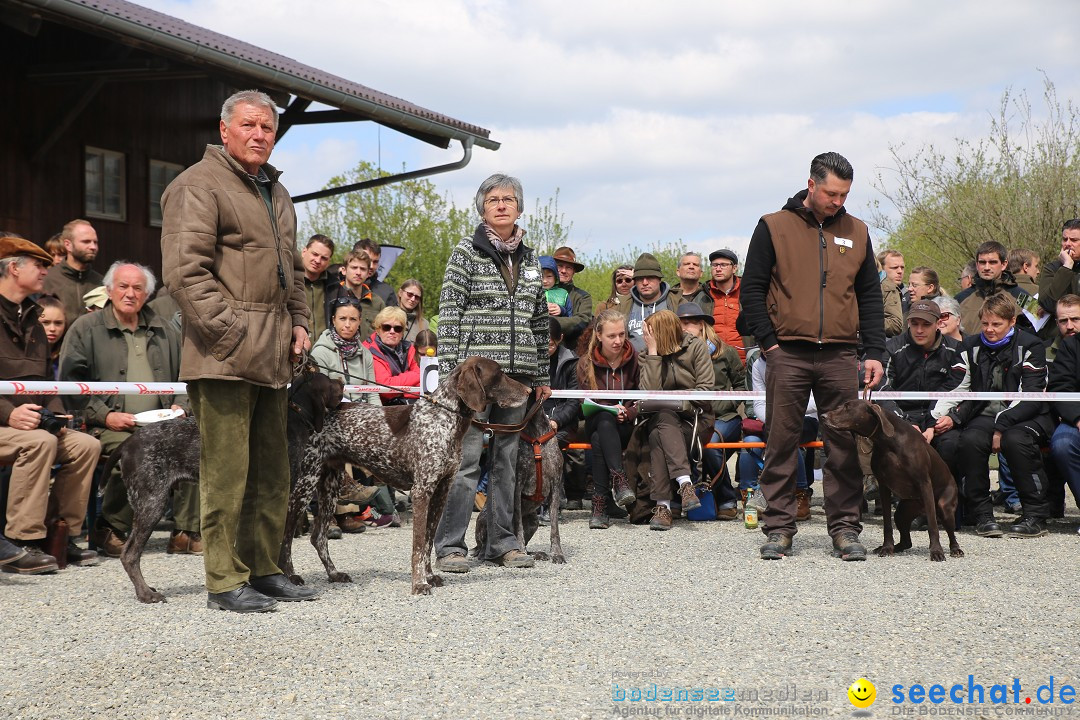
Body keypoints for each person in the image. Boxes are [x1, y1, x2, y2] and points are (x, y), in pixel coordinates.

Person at [160, 89, 318, 613]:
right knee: (226, 475)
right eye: (249, 125)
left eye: (267, 128)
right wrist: (231, 336)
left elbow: (292, 273)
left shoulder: (277, 191)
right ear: (224, 129)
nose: (259, 135)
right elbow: (186, 274)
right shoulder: (196, 185)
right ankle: (224, 581)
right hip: (223, 356)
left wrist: (299, 323)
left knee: (273, 472)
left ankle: (265, 568)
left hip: (274, 356)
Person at [741, 151, 886, 561]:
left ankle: (844, 529)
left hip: (841, 355)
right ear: (811, 184)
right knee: (782, 442)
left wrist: (873, 351)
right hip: (787, 352)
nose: (837, 201)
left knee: (843, 444)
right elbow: (750, 289)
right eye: (831, 193)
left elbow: (869, 296)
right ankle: (780, 528)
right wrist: (769, 344)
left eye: (844, 195)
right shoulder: (773, 226)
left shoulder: (857, 231)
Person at [434, 173, 550, 572]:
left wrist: (542, 376)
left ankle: (502, 542)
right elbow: (448, 313)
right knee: (464, 462)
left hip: (517, 379)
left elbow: (539, 321)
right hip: (475, 381)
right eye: (493, 199)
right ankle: (450, 546)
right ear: (482, 207)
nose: (502, 205)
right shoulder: (465, 252)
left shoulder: (532, 259)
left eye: (509, 199)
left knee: (507, 460)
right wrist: (452, 376)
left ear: (519, 207)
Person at [60, 261, 195, 558]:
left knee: (195, 446)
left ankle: (185, 531)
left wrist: (181, 405)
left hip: (163, 422)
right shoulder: (86, 328)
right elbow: (69, 383)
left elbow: (186, 374)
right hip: (108, 425)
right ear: (109, 290)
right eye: (123, 286)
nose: (130, 294)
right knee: (134, 453)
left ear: (147, 294)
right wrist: (104, 415)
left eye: (138, 288)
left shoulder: (165, 329)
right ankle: (110, 527)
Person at [0, 235, 100, 574]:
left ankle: (62, 534)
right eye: (39, 266)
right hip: (7, 424)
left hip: (29, 423)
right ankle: (21, 540)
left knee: (86, 445)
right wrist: (9, 413)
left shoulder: (34, 318)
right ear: (14, 268)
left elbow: (46, 380)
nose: (46, 271)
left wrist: (57, 413)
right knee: (40, 442)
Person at [931, 293, 1054, 538]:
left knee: (1015, 440)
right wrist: (934, 417)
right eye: (985, 323)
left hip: (1026, 414)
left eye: (996, 324)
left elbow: (1031, 394)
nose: (989, 329)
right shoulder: (971, 345)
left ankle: (1035, 513)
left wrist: (1001, 427)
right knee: (970, 441)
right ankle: (982, 514)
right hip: (984, 413)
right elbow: (957, 387)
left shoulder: (1031, 345)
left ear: (1012, 321)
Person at [310, 297, 396, 531]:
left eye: (353, 319)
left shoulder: (365, 354)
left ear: (360, 322)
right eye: (342, 319)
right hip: (330, 416)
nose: (347, 324)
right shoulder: (320, 352)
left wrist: (379, 420)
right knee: (339, 443)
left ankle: (370, 508)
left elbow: (372, 392)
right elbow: (321, 397)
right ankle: (330, 515)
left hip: (360, 418)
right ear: (333, 320)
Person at [877, 301, 965, 512]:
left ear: (938, 323)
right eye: (914, 323)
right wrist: (904, 424)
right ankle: (908, 504)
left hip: (940, 415)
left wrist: (945, 420)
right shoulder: (892, 347)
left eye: (925, 324)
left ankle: (949, 504)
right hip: (900, 416)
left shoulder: (956, 350)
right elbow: (882, 390)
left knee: (951, 444)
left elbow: (961, 390)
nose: (919, 330)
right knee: (896, 444)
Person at [637, 309, 714, 531]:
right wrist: (653, 353)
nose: (645, 337)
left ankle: (663, 507)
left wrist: (679, 403)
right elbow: (649, 394)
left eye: (650, 333)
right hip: (662, 419)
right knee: (662, 421)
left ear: (663, 332)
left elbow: (705, 390)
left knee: (659, 432)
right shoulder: (646, 354)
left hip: (696, 419)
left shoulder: (696, 347)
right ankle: (685, 484)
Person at [678, 302, 745, 520]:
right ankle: (681, 498)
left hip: (724, 417)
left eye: (690, 323)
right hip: (691, 417)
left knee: (710, 446)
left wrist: (725, 406)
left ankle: (727, 498)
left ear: (702, 326)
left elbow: (742, 387)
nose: (685, 328)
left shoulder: (727, 352)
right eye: (681, 323)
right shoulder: (677, 354)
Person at [738, 348, 819, 521]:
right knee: (772, 434)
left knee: (786, 435)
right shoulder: (759, 364)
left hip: (806, 417)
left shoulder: (801, 359)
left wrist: (786, 412)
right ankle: (787, 493)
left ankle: (797, 493)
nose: (765, 348)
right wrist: (776, 418)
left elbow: (816, 401)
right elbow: (758, 401)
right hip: (773, 419)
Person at [576, 310, 639, 529]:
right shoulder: (586, 363)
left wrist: (629, 412)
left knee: (599, 438)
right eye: (612, 336)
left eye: (622, 334)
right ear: (599, 336)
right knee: (603, 419)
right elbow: (586, 403)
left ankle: (600, 505)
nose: (618, 341)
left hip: (627, 424)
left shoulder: (636, 360)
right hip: (597, 418)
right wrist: (612, 410)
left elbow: (644, 396)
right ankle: (619, 481)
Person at [955, 240, 1031, 336]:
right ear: (977, 265)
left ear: (1004, 264)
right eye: (982, 262)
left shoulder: (1022, 296)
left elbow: (1040, 328)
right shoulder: (960, 299)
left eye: (992, 262)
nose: (987, 267)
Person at [42, 219, 104, 326]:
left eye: (95, 242)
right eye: (86, 241)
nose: (93, 247)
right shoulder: (46, 279)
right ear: (68, 245)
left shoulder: (102, 283)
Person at [618, 252, 683, 353]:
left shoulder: (677, 302)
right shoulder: (623, 306)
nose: (645, 283)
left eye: (650, 278)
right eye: (640, 279)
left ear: (659, 279)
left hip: (669, 364)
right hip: (634, 365)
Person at [363, 306, 420, 405]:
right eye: (386, 327)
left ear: (402, 332)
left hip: (407, 404)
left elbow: (423, 380)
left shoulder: (409, 348)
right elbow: (386, 388)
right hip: (381, 407)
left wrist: (400, 390)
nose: (392, 331)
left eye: (397, 328)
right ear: (378, 329)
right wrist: (413, 379)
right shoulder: (370, 350)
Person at [705, 248, 746, 361]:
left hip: (745, 361)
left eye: (723, 265)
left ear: (734, 268)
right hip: (714, 363)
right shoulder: (703, 295)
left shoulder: (748, 292)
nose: (718, 269)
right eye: (714, 265)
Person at [551, 246, 593, 352]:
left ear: (573, 271)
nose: (564, 271)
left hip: (571, 352)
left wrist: (549, 322)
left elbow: (582, 321)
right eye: (560, 266)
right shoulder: (539, 292)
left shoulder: (582, 297)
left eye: (568, 267)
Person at [337, 249, 385, 341]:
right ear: (344, 270)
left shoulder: (377, 303)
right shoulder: (333, 297)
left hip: (368, 354)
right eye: (354, 268)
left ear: (368, 274)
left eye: (363, 269)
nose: (358, 273)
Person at [300, 234, 340, 340]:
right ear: (304, 252)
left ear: (329, 262)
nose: (317, 261)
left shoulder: (336, 288)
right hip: (292, 349)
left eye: (323, 258)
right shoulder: (287, 280)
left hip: (324, 351)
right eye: (315, 254)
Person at [353, 238, 397, 307]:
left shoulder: (386, 292)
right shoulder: (337, 288)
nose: (371, 266)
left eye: (375, 262)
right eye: (368, 260)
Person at [36, 294, 67, 380]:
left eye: (58, 323)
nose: (52, 329)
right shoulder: (22, 353)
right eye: (45, 322)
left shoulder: (71, 355)